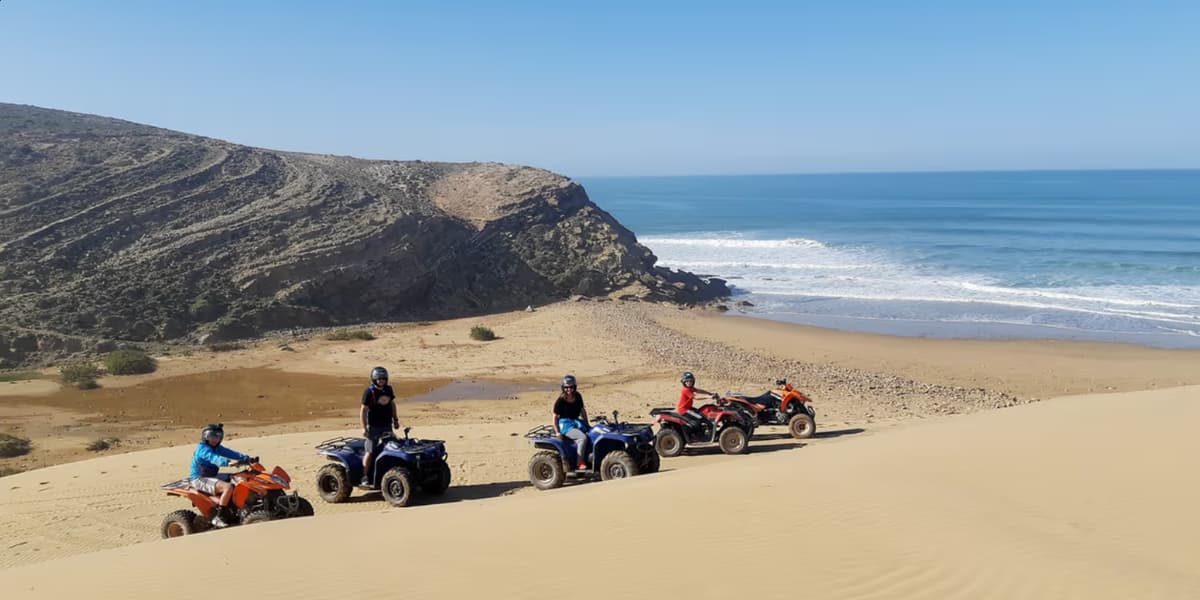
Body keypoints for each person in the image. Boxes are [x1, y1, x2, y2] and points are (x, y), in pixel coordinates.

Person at [190, 423, 254, 528]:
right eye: (212, 436)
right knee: (227, 487)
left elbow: (230, 452)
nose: (215, 439)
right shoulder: (202, 449)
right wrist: (227, 462)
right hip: (200, 479)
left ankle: (239, 508)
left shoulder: (217, 447)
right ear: (206, 436)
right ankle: (219, 517)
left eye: (218, 436)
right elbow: (213, 458)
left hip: (213, 476)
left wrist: (246, 458)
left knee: (239, 478)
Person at [361, 366, 400, 486]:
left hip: (387, 425)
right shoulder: (369, 392)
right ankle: (365, 476)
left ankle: (389, 471)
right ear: (374, 379)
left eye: (383, 378)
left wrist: (395, 419)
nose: (381, 381)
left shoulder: (388, 389)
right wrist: (364, 427)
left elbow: (392, 404)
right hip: (374, 427)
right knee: (370, 451)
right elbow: (363, 410)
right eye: (378, 379)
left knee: (393, 448)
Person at [553, 374, 590, 471]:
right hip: (565, 424)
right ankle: (580, 462)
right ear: (563, 388)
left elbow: (582, 411)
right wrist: (557, 432)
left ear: (574, 387)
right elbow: (555, 418)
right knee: (582, 437)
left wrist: (587, 424)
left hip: (576, 422)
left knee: (592, 434)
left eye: (571, 387)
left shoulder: (578, 396)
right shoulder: (560, 401)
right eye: (566, 387)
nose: (569, 389)